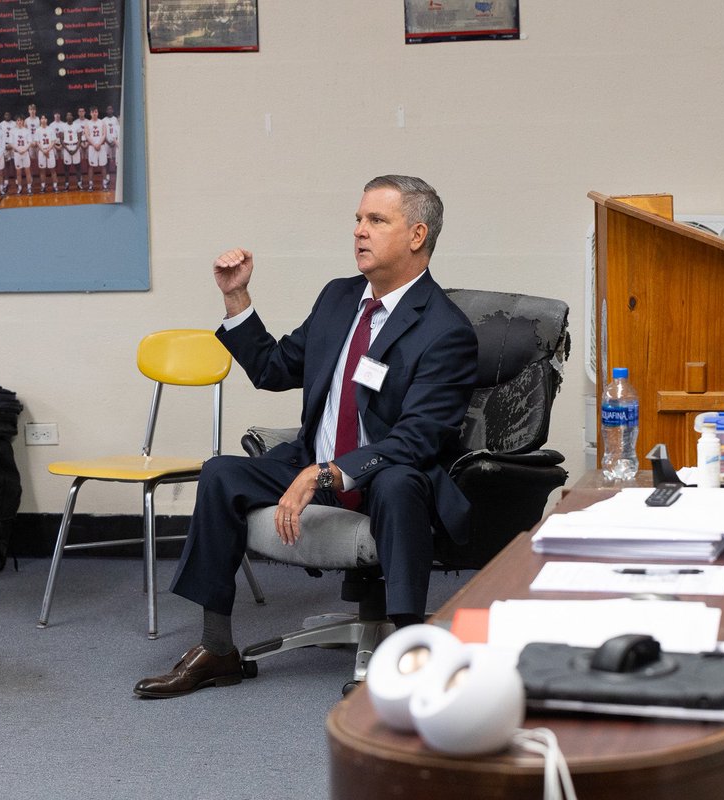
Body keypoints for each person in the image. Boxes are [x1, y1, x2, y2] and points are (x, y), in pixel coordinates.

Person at [133, 175, 478, 699]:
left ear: (416, 235)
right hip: (313, 459)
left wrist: (328, 473)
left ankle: (409, 657)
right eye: (358, 219)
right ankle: (218, 648)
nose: (359, 231)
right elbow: (274, 368)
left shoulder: (445, 329)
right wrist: (237, 299)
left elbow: (419, 437)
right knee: (222, 473)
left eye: (376, 221)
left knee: (400, 482)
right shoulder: (339, 299)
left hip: (385, 473)